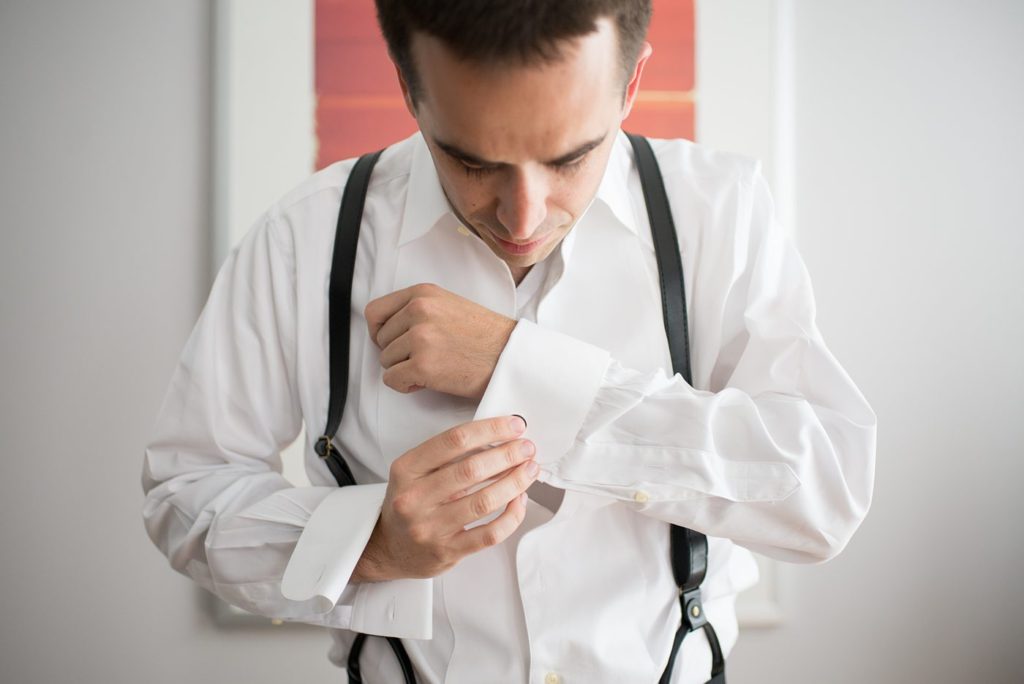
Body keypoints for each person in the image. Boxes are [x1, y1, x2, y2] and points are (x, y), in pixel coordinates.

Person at [142, 1, 876, 682]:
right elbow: (185, 492)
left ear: (631, 84)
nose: (522, 216)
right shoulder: (304, 239)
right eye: (471, 161)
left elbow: (824, 495)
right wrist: (370, 544)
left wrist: (516, 367)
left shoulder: (719, 212)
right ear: (407, 86)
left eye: (569, 158)